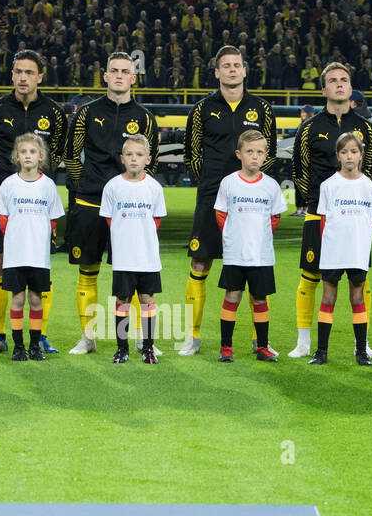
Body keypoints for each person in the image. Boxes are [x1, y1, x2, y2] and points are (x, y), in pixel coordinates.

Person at [181, 46, 275, 355]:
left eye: (237, 65)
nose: (232, 70)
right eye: (226, 66)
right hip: (211, 197)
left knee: (252, 264)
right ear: (217, 72)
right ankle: (192, 337)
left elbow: (269, 153)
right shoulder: (202, 108)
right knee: (200, 262)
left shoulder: (262, 108)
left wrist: (248, 186)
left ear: (245, 71)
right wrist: (214, 182)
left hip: (251, 202)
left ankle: (258, 340)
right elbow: (192, 155)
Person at [64, 51, 157, 355]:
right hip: (90, 201)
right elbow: (71, 156)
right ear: (105, 76)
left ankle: (143, 341)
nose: (119, 75)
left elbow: (149, 164)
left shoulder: (144, 117)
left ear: (133, 78)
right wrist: (86, 187)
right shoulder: (86, 113)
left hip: (129, 210)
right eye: (113, 70)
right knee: (87, 271)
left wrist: (131, 192)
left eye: (124, 71)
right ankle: (88, 338)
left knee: (133, 275)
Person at [0, 50, 68, 354]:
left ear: (40, 77)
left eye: (29, 72)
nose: (22, 78)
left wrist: (37, 177)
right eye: (18, 71)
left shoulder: (55, 113)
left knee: (39, 265)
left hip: (38, 198)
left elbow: (57, 153)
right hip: (8, 195)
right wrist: (9, 179)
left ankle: (39, 335)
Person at [290, 61, 372, 360]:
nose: (340, 84)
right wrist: (311, 201)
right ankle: (304, 341)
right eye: (333, 80)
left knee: (359, 278)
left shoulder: (366, 128)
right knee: (311, 276)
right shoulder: (309, 127)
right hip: (320, 211)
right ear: (324, 88)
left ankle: (362, 345)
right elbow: (300, 170)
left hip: (355, 216)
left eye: (344, 79)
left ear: (351, 86)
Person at [309, 131, 372, 366]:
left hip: (357, 251)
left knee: (357, 296)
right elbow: (323, 221)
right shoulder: (329, 185)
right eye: (344, 152)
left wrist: (361, 246)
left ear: (361, 155)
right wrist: (328, 247)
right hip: (333, 251)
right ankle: (321, 352)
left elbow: (370, 221)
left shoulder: (368, 186)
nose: (349, 156)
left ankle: (361, 351)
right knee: (328, 298)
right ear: (338, 155)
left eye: (353, 151)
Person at [214, 130, 285, 363]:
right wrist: (235, 238)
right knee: (232, 297)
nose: (255, 156)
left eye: (259, 152)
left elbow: (274, 218)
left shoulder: (272, 186)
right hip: (236, 254)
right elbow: (221, 214)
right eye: (249, 151)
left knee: (260, 299)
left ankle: (262, 347)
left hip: (261, 255)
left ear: (266, 155)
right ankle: (226, 348)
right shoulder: (229, 183)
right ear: (239, 154)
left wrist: (259, 237)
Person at [0, 134, 64, 361]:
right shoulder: (9, 184)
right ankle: (18, 346)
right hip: (15, 255)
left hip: (38, 256)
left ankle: (35, 345)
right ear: (16, 156)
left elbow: (53, 220)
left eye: (32, 152)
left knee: (35, 299)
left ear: (41, 156)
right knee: (17, 299)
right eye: (23, 152)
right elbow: (3, 218)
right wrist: (17, 238)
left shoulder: (48, 185)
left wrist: (38, 238)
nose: (27, 156)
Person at [100, 135, 166, 364]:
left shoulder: (154, 188)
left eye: (139, 155)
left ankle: (147, 348)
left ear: (148, 159)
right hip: (123, 257)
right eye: (129, 155)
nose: (134, 159)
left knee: (147, 299)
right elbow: (109, 220)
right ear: (122, 158)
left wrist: (142, 239)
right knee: (123, 300)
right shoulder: (113, 186)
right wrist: (124, 240)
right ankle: (122, 349)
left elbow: (156, 221)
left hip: (147, 257)